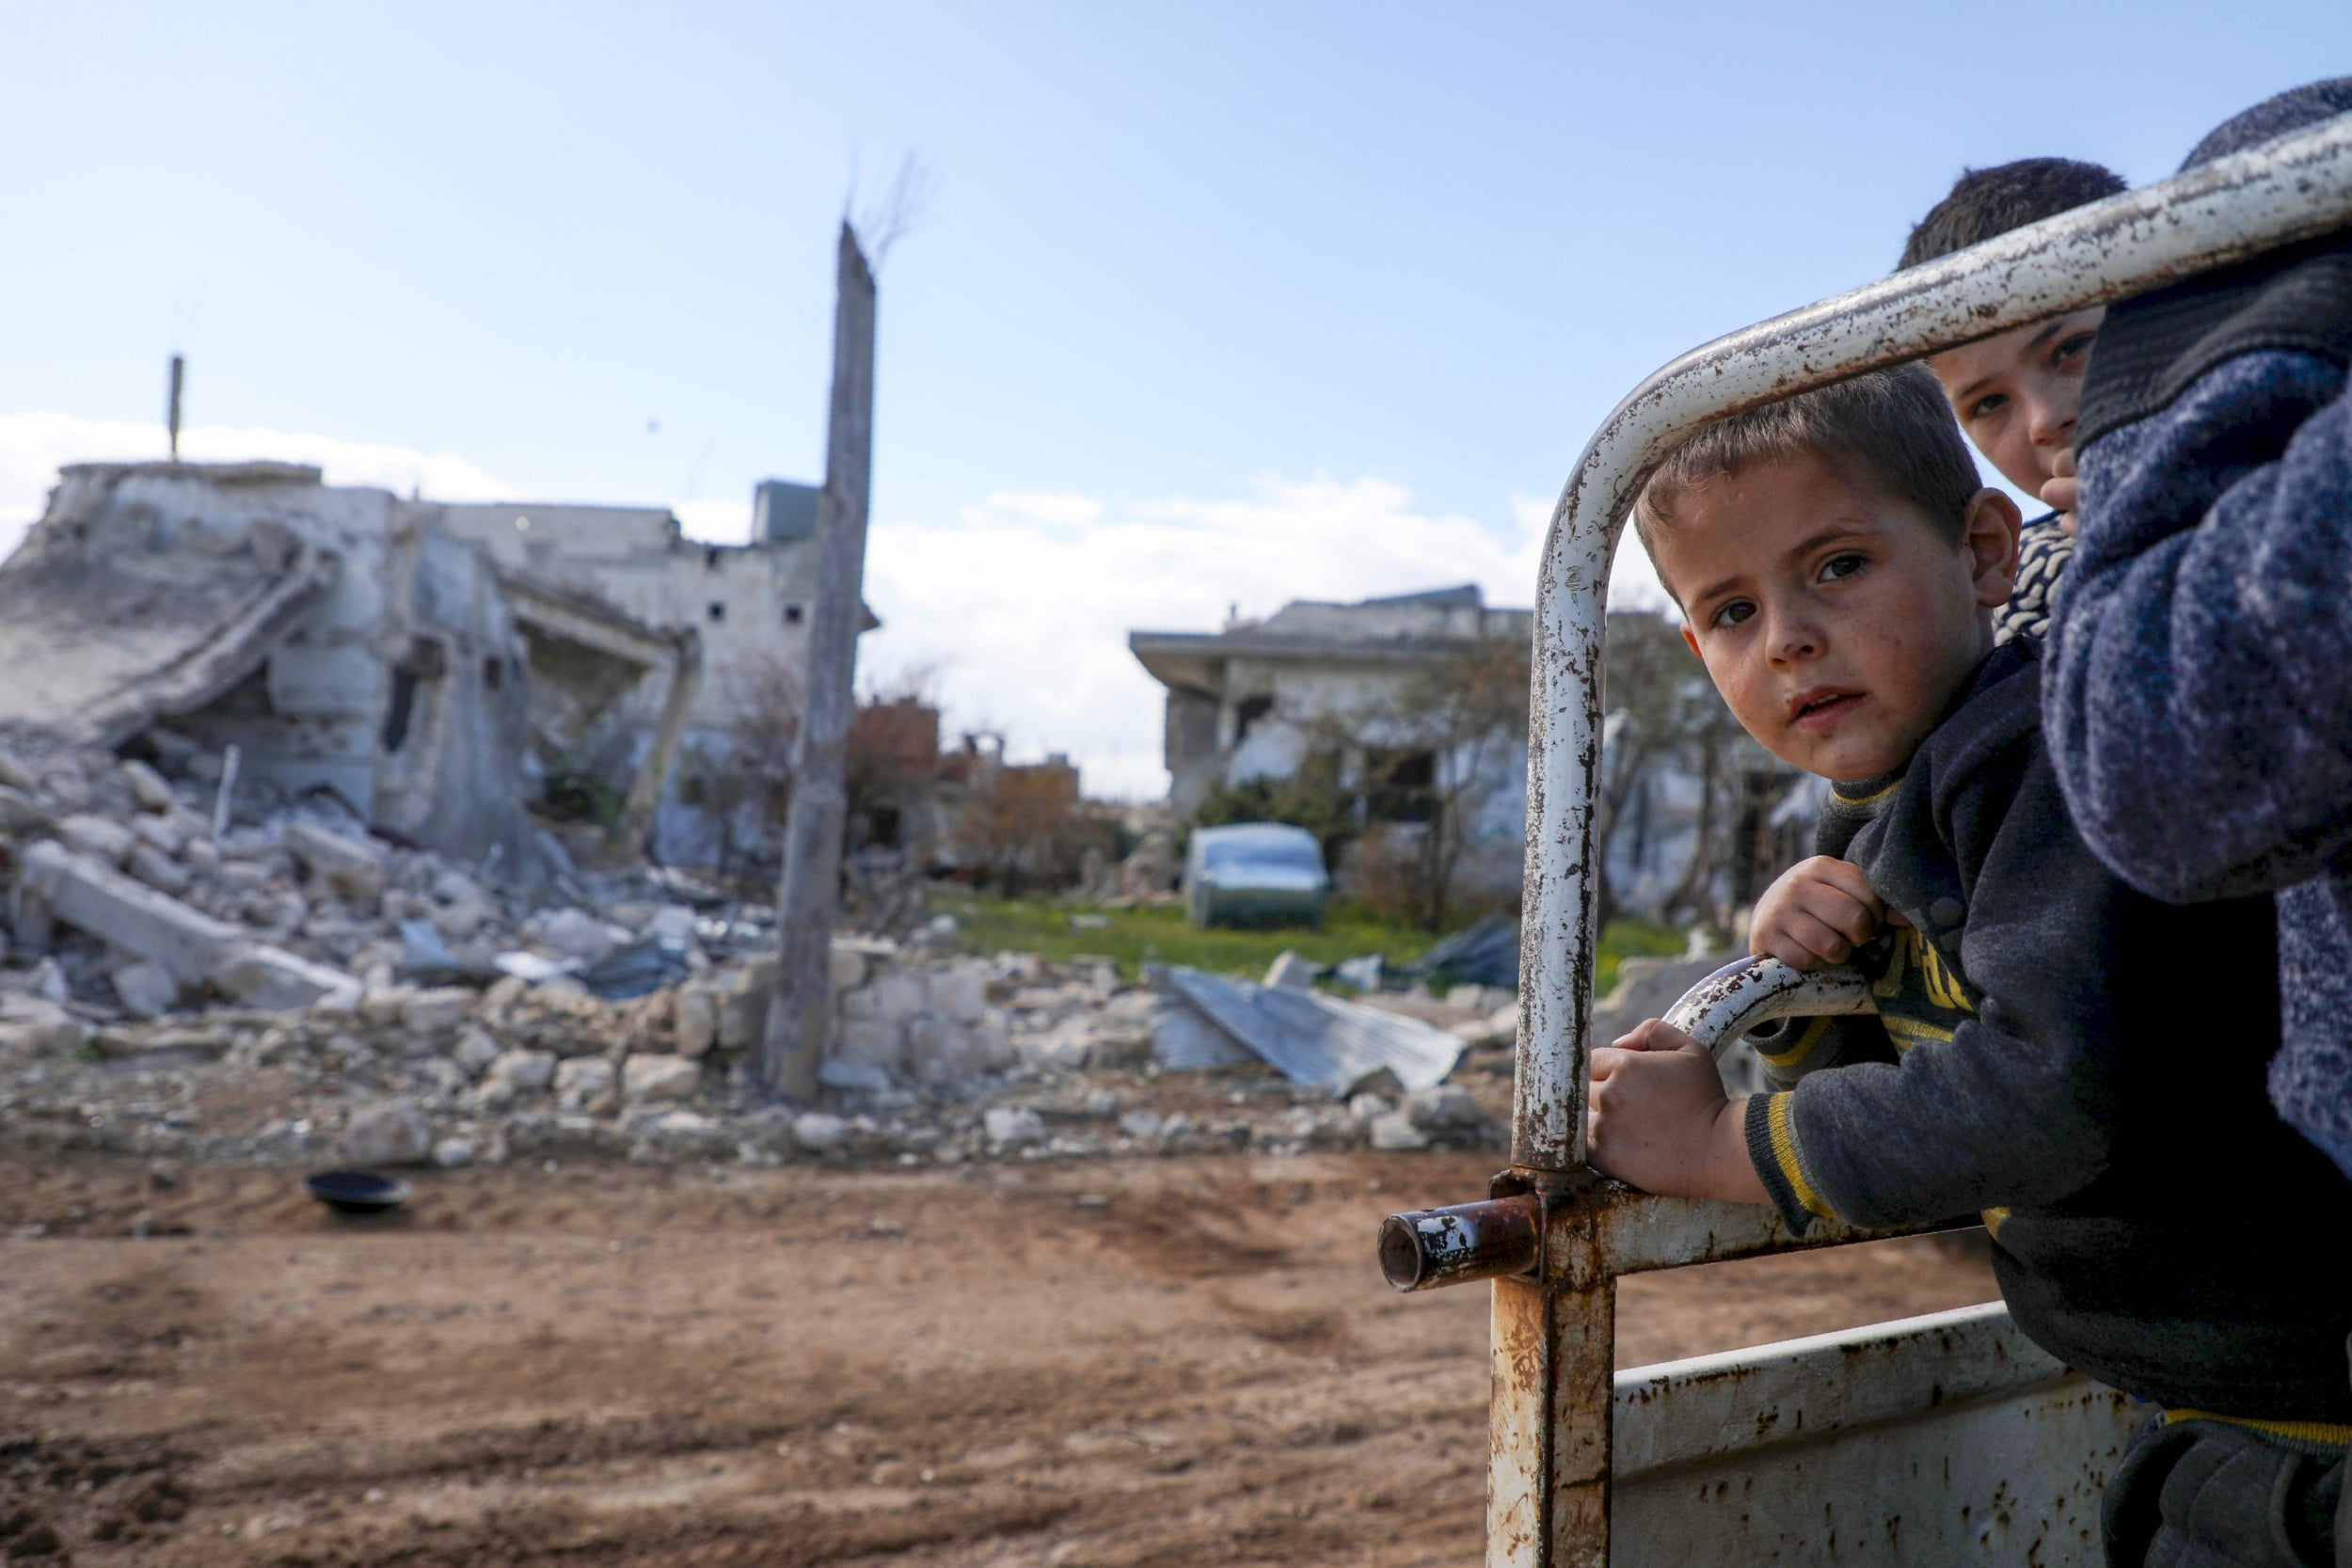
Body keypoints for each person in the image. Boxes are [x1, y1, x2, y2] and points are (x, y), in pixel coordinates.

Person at [1585, 365, 2352, 1566]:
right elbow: (1917, 1091)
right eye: (1731, 612)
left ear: (1986, 550)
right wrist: (1796, 991)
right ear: (1695, 648)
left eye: (1837, 565)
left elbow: (2050, 1091)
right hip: (2212, 1399)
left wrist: (1713, 1145)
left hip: (2305, 1416)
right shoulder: (1888, 806)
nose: (1787, 636)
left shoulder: (2043, 759)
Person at [2039, 77, 2352, 1565]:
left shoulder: (2285, 184)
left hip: (2263, 1319)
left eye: (2079, 364)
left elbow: (2142, 767)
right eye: (1979, 401)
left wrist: (1766, 1138)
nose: (2041, 425)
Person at [1899, 157, 2127, 643]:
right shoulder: (2010, 613)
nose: (2044, 420)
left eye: (2070, 349)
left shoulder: (2318, 448)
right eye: (1987, 404)